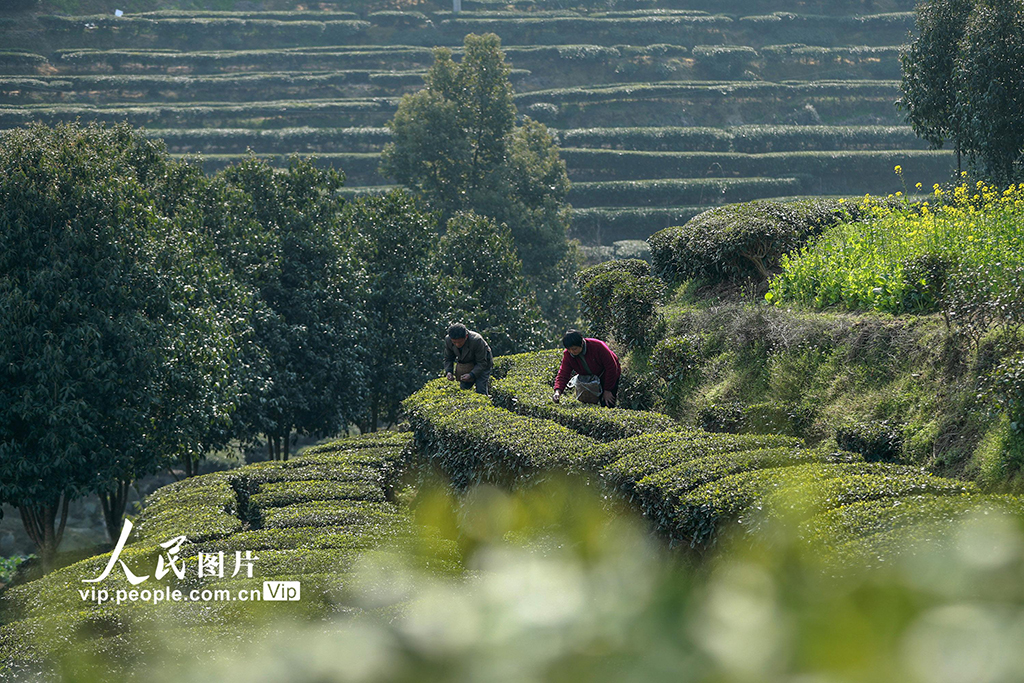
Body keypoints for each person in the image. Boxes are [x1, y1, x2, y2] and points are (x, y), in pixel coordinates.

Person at [552, 329, 621, 407]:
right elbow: (563, 373)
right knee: (588, 405)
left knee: (607, 403)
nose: (572, 351)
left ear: (581, 343)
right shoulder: (568, 355)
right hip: (588, 380)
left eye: (574, 349)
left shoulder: (598, 346)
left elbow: (611, 367)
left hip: (606, 376)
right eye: (569, 349)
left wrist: (607, 390)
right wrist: (558, 391)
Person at [443, 323, 492, 395]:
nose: (457, 344)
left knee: (481, 389)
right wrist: (449, 371)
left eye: (459, 342)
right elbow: (448, 358)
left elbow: (482, 363)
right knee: (464, 389)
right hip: (466, 363)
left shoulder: (477, 340)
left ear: (466, 337)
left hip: (483, 363)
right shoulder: (448, 340)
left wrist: (471, 375)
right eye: (454, 342)